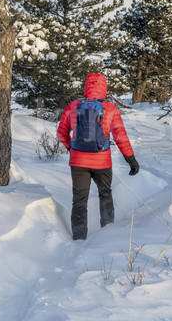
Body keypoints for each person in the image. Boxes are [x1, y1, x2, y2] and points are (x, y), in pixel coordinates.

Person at [57, 73, 139, 240]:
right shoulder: (110, 108)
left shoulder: (73, 106)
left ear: (86, 87)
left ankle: (79, 239)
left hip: (78, 161)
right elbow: (120, 137)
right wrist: (131, 160)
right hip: (102, 162)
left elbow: (61, 133)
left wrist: (70, 147)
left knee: (79, 200)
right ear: (104, 88)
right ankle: (107, 236)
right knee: (105, 194)